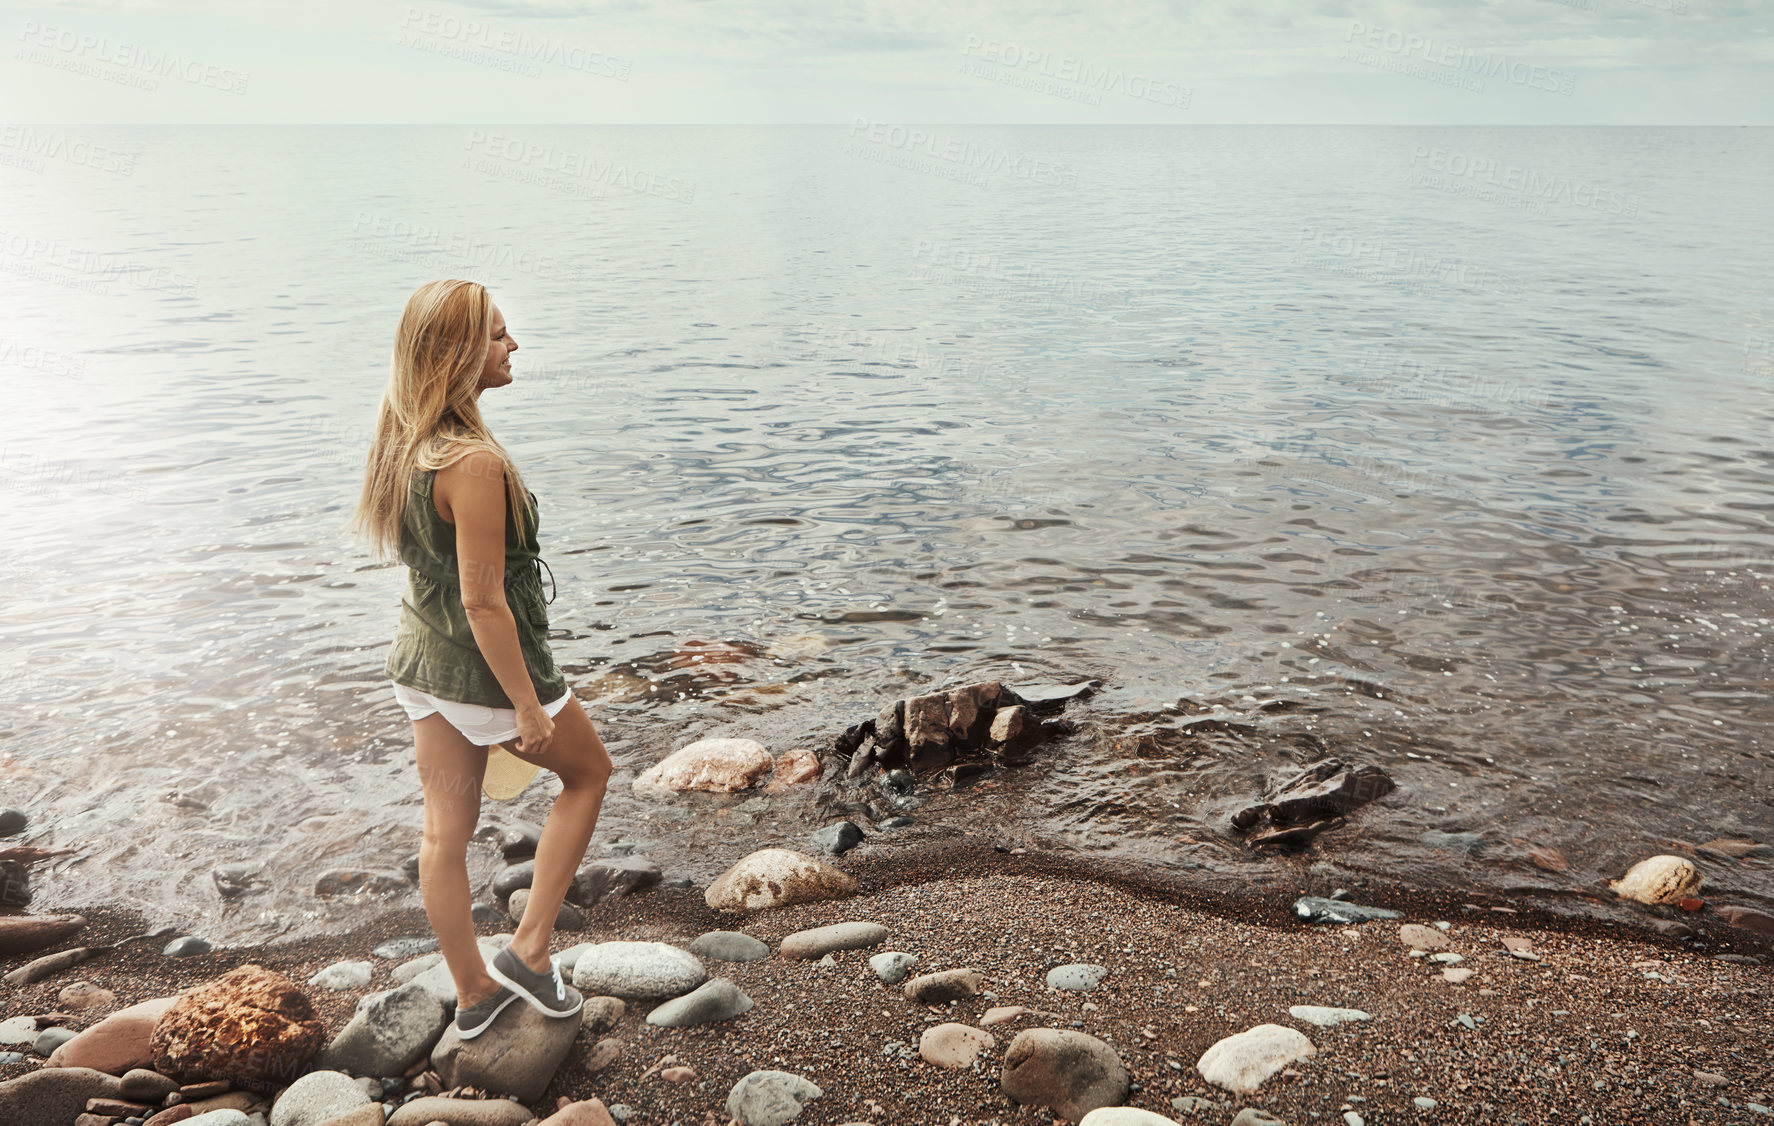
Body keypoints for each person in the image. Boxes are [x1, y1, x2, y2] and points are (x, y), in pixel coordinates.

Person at [348, 279, 613, 1039]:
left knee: (444, 834)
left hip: (420, 667)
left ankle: (473, 993)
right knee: (589, 774)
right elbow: (484, 600)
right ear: (456, 353)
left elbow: (444, 584)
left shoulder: (404, 441)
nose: (513, 345)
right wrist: (527, 705)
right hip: (478, 669)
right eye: (498, 334)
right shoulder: (473, 463)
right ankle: (529, 954)